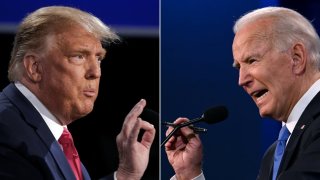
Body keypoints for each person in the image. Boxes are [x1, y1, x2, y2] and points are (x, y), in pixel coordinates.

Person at [0, 6, 156, 180]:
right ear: (35, 68)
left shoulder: (43, 128)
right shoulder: (7, 133)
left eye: (98, 58)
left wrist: (126, 175)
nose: (95, 72)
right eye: (79, 56)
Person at [164, 6, 320, 180]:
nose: (241, 80)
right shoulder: (274, 154)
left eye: (252, 61)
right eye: (239, 67)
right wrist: (189, 174)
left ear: (296, 58)